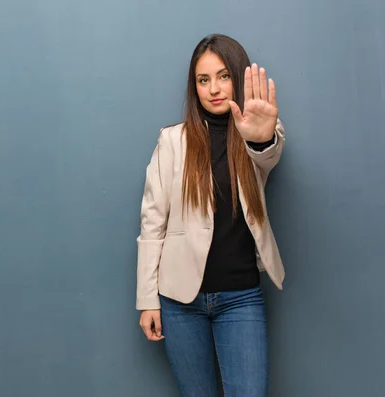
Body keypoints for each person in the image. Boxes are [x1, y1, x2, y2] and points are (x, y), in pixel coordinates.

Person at [135, 33, 286, 397]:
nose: (214, 88)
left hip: (241, 297)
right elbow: (152, 223)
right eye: (203, 80)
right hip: (179, 301)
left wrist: (260, 138)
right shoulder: (172, 140)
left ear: (238, 76)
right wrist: (147, 300)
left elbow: (268, 154)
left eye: (223, 76)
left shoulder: (259, 134)